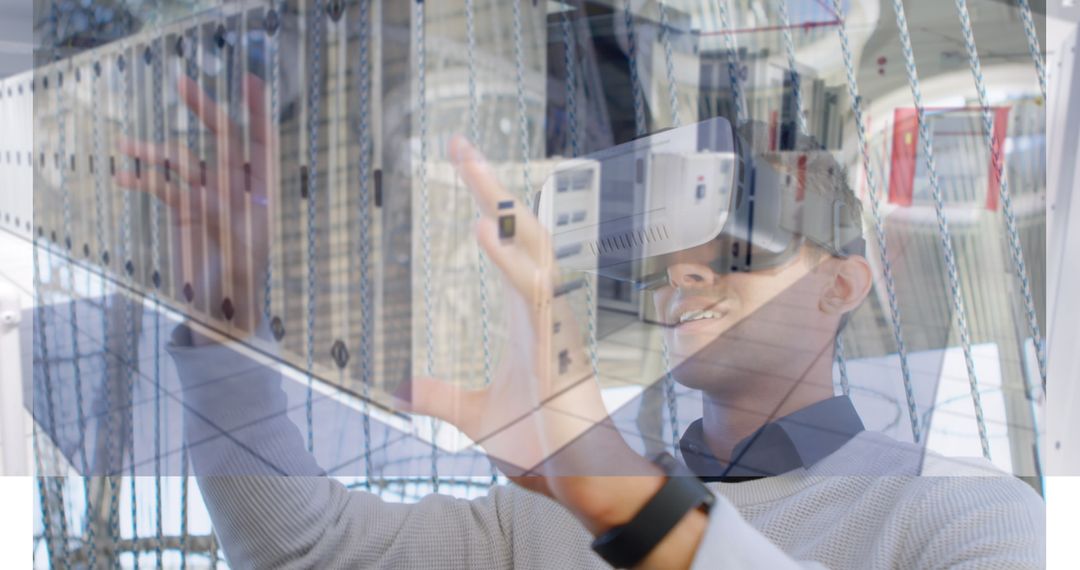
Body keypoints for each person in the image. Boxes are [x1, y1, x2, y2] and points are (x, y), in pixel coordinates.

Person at [118, 74, 1045, 569]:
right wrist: (224, 326)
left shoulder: (968, 517)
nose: (689, 271)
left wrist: (616, 494)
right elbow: (305, 553)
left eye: (739, 244)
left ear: (842, 287)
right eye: (673, 249)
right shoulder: (548, 517)